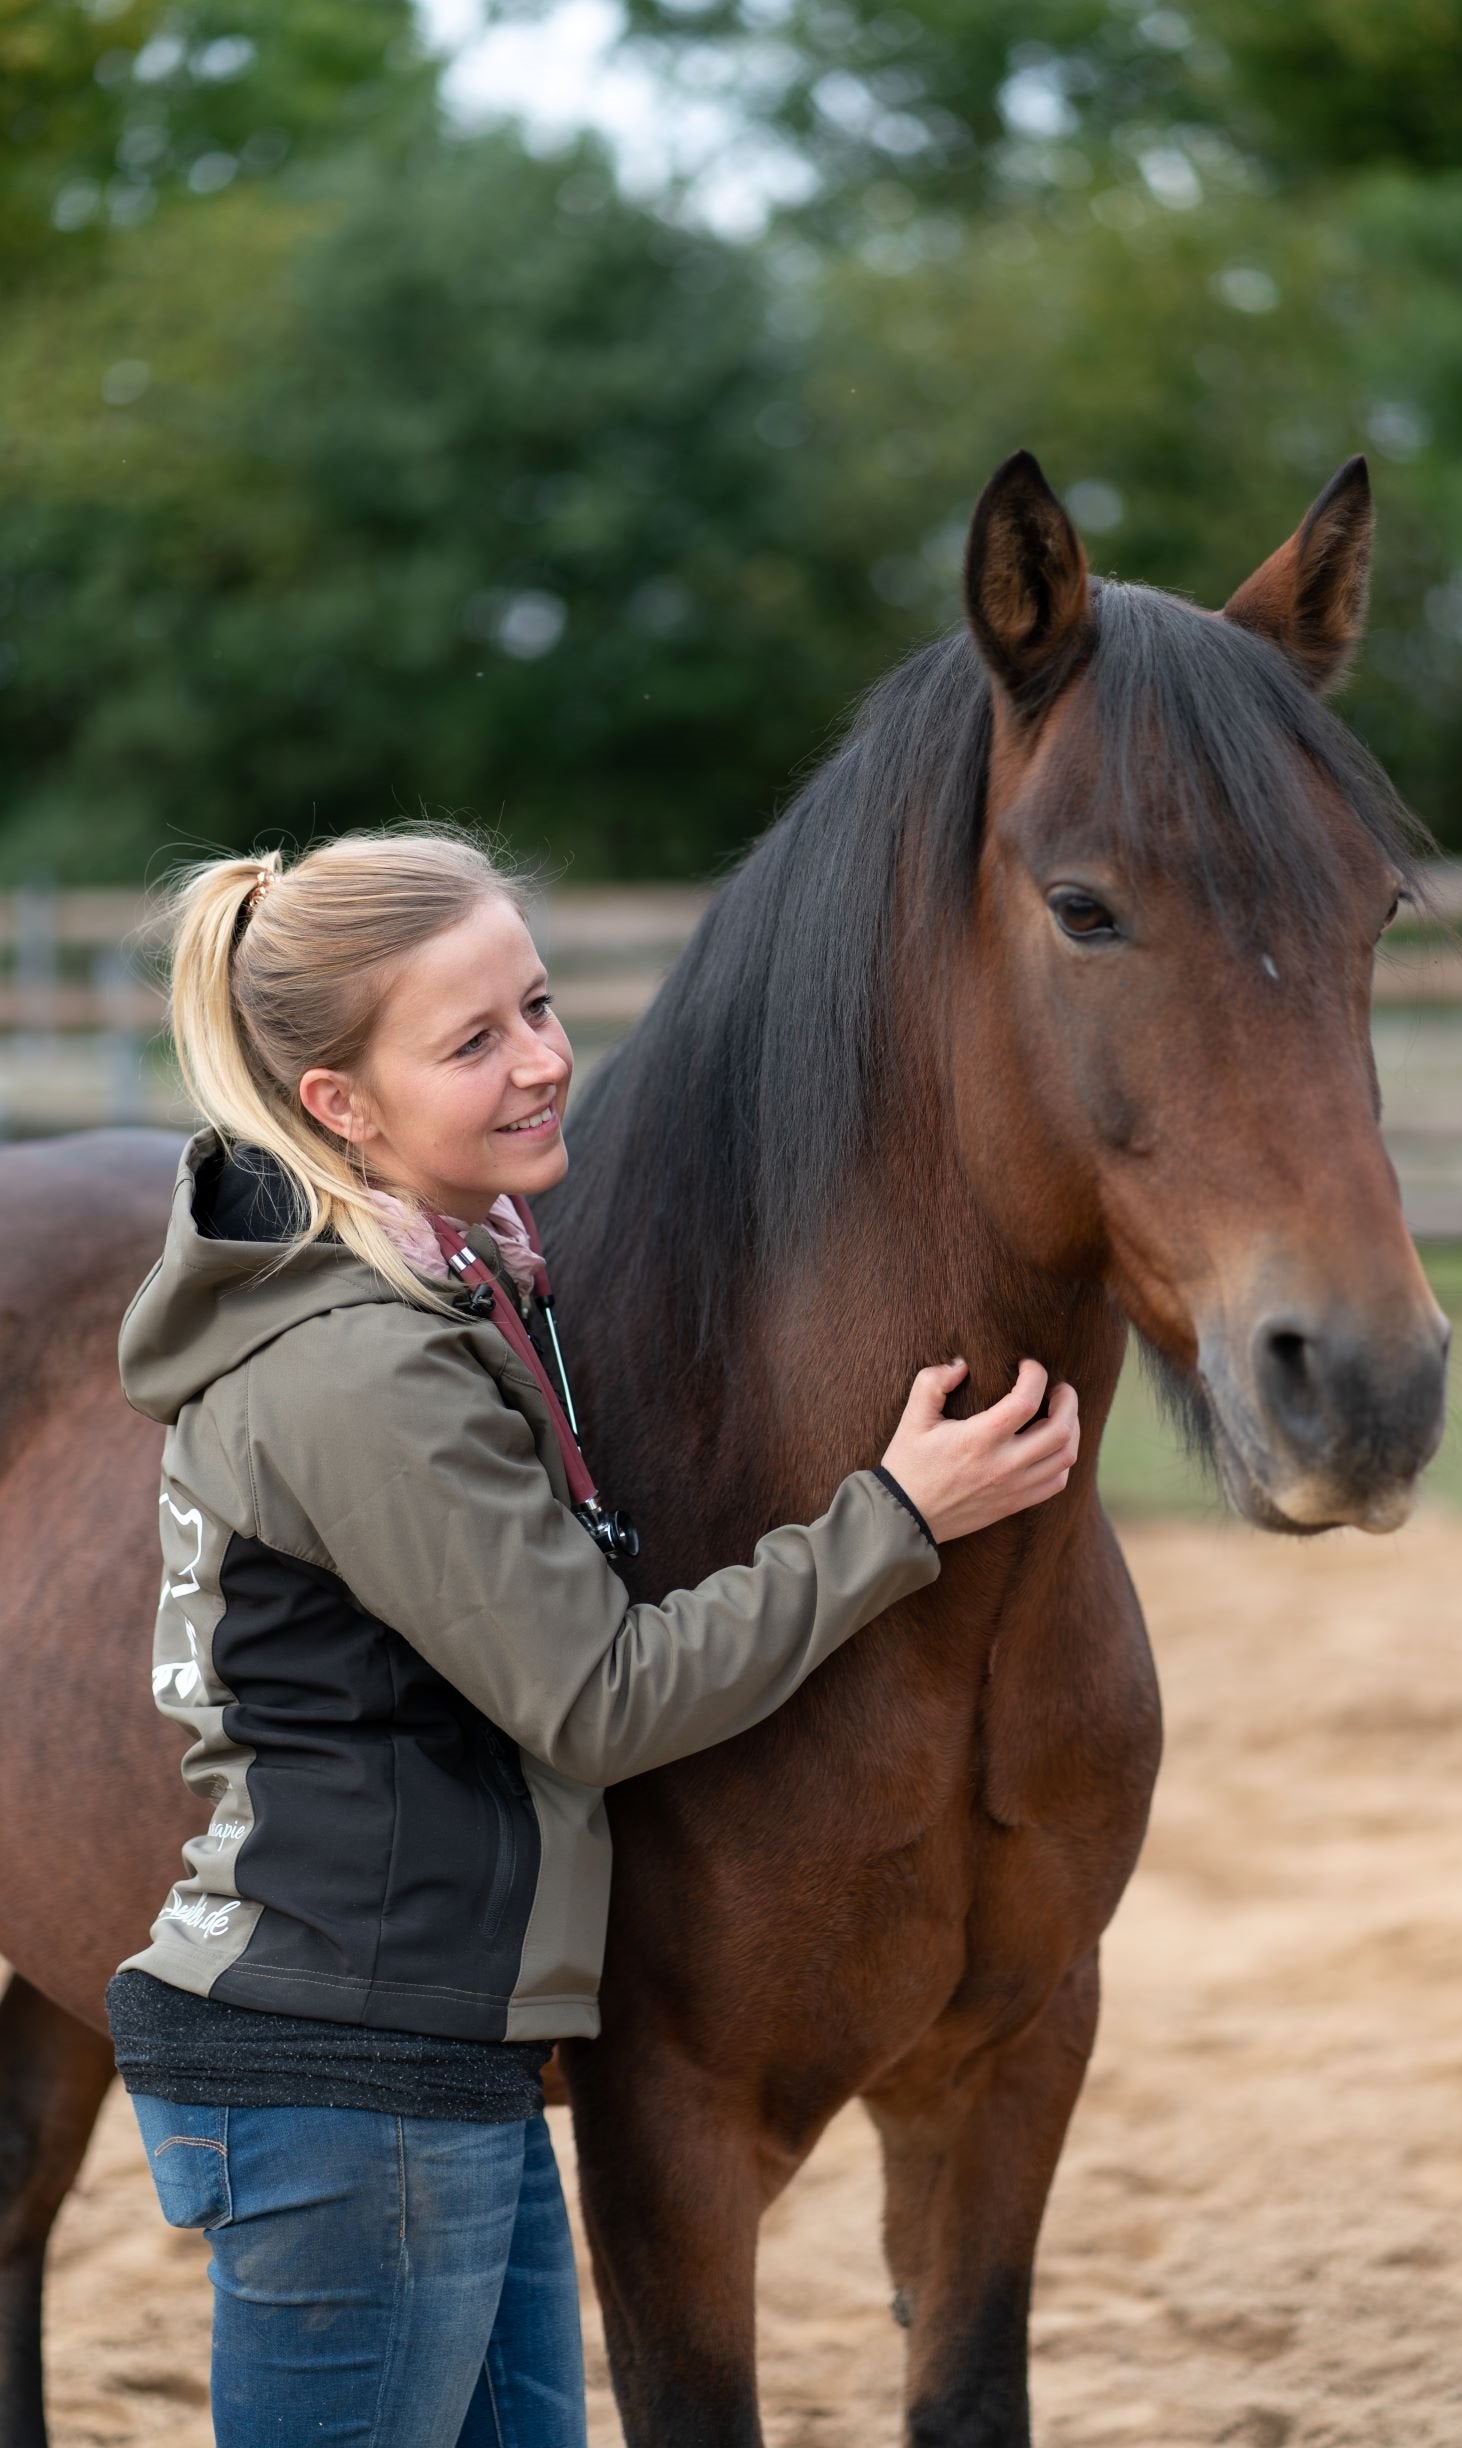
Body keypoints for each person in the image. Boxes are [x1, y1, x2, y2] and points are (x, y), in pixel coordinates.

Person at [109, 826, 1081, 2448]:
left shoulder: (462, 1292)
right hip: (345, 2077)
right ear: (339, 1107)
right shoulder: (365, 1373)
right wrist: (891, 1520)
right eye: (471, 1040)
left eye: (541, 1007)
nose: (542, 1063)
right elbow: (599, 1696)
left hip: (436, 2061)